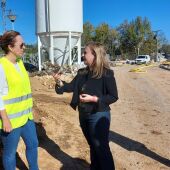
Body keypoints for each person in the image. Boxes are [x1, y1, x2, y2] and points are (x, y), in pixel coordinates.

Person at [54, 42, 118, 170]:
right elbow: (70, 87)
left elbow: (113, 96)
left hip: (98, 114)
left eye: (85, 53)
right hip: (83, 114)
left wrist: (94, 99)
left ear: (94, 55)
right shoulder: (82, 72)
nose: (83, 55)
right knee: (93, 145)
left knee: (101, 147)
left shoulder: (107, 73)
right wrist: (59, 81)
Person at [0, 30, 39, 170]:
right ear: (10, 47)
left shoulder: (20, 62)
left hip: (27, 117)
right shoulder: (1, 66)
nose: (24, 47)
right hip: (11, 120)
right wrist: (5, 119)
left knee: (33, 145)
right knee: (10, 153)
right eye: (21, 45)